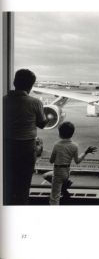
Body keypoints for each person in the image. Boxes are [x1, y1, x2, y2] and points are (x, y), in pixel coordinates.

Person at [3, 69, 48, 205]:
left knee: (7, 180)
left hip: (6, 145)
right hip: (26, 148)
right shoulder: (35, 102)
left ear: (14, 82)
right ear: (31, 86)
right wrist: (45, 115)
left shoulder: (4, 100)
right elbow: (42, 124)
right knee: (23, 183)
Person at [49, 121, 97, 205]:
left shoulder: (56, 145)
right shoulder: (75, 146)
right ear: (72, 133)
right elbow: (77, 161)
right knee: (50, 177)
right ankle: (65, 184)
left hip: (57, 172)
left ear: (60, 133)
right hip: (66, 172)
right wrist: (86, 152)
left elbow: (51, 161)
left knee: (54, 198)